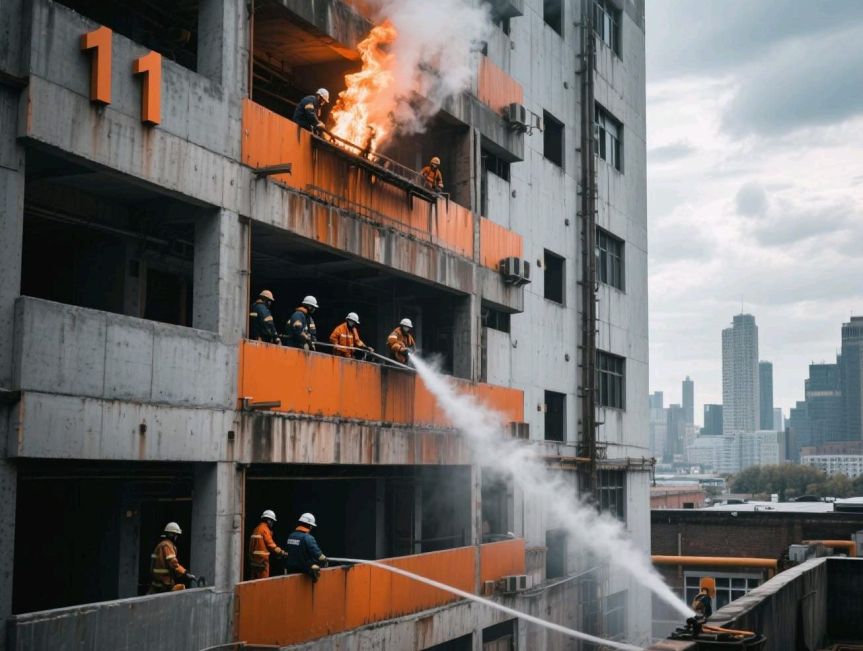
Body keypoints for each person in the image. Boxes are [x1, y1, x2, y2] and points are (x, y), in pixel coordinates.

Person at [148, 522, 195, 594]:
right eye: (176, 535)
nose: (176, 537)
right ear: (171, 534)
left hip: (157, 582)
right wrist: (185, 573)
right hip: (164, 583)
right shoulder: (167, 545)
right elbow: (173, 564)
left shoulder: (161, 544)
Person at [284, 513, 327, 582]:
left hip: (290, 569)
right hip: (303, 570)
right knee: (317, 565)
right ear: (310, 526)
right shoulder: (308, 538)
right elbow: (319, 556)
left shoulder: (291, 536)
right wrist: (324, 559)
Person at [248, 509, 286, 580]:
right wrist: (281, 552)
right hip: (262, 561)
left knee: (254, 581)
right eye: (272, 521)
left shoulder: (256, 529)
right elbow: (271, 544)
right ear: (268, 520)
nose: (272, 523)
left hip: (254, 561)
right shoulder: (265, 529)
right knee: (263, 581)